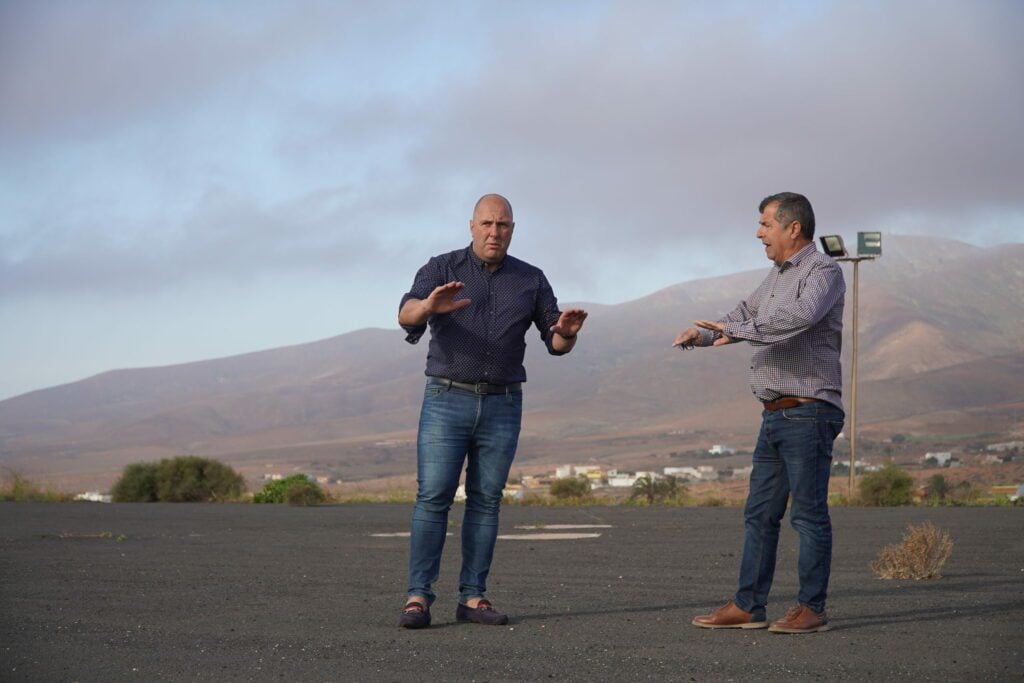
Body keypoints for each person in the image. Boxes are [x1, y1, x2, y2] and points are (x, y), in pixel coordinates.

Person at [396, 193, 587, 629]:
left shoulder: (531, 279)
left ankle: (473, 597)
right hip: (447, 397)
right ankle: (418, 598)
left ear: (512, 230)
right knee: (433, 498)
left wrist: (567, 333)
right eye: (486, 224)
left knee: (485, 501)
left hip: (503, 402)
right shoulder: (442, 268)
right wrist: (427, 307)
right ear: (471, 226)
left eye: (502, 225)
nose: (493, 232)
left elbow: (554, 341)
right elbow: (406, 314)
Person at [674, 192, 846, 634]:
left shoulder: (823, 272)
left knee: (807, 515)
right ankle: (749, 605)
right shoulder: (775, 276)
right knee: (760, 514)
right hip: (774, 415)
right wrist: (703, 336)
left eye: (765, 224)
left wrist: (734, 331)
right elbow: (744, 314)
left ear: (793, 228)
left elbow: (800, 318)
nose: (758, 233)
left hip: (808, 412)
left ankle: (812, 608)